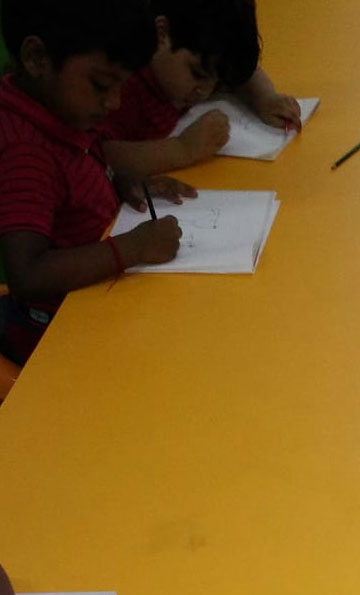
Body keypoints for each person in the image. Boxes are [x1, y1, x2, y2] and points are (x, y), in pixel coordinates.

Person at [0, 0, 195, 365]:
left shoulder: (58, 108)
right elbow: (27, 274)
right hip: (56, 337)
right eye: (102, 84)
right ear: (37, 58)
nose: (115, 102)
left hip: (97, 300)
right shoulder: (26, 151)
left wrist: (118, 180)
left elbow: (71, 179)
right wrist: (133, 248)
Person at [99, 0, 302, 175]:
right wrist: (182, 150)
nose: (205, 91)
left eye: (216, 81)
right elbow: (100, 155)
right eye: (197, 74)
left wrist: (265, 98)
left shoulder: (197, 59)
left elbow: (239, 70)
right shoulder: (122, 85)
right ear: (161, 34)